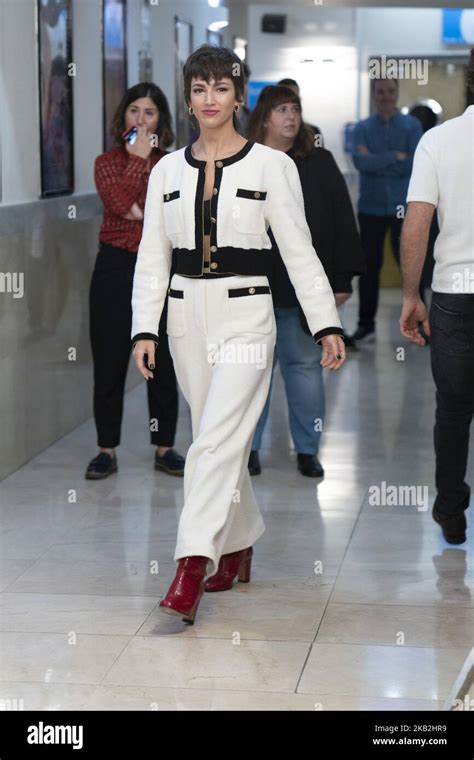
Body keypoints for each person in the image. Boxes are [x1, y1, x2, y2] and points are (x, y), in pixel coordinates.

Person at [130, 45, 346, 625]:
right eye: (198, 90)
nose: (209, 100)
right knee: (215, 439)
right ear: (188, 96)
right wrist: (143, 329)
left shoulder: (273, 167)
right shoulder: (166, 171)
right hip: (183, 317)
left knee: (212, 444)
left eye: (220, 89)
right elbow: (152, 258)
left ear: (238, 94)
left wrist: (325, 321)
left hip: (250, 315)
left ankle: (190, 564)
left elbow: (300, 251)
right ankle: (241, 540)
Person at [245, 85, 364, 478]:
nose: (291, 117)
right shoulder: (245, 162)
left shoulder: (319, 161)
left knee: (304, 369)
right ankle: (249, 450)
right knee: (252, 374)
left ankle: (308, 450)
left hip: (303, 293)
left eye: (295, 109)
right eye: (282, 110)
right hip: (252, 291)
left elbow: (342, 221)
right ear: (264, 117)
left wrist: (342, 278)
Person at [86, 83, 185, 479]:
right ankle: (105, 450)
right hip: (114, 267)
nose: (141, 120)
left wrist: (147, 167)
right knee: (109, 361)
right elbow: (125, 208)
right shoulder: (106, 161)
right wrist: (137, 162)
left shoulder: (173, 164)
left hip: (160, 266)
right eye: (134, 112)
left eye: (149, 113)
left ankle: (165, 446)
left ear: (161, 120)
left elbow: (158, 215)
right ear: (122, 117)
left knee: (161, 361)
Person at [399, 48, 474, 546]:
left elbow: (418, 222)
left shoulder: (439, 141)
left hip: (454, 293)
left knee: (453, 408)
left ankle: (449, 508)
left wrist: (410, 295)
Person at [350, 78, 423, 343]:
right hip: (370, 209)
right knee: (369, 271)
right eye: (380, 91)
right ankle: (365, 326)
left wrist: (378, 159)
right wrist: (395, 156)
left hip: (403, 210)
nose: (385, 96)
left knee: (411, 269)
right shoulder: (361, 128)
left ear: (397, 93)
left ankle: (419, 323)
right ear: (373, 94)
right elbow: (360, 163)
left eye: (391, 91)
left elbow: (413, 165)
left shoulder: (412, 126)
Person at [277, 78, 324, 146]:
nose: (292, 102)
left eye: (295, 98)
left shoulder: (315, 133)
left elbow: (322, 155)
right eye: (285, 99)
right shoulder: (266, 136)